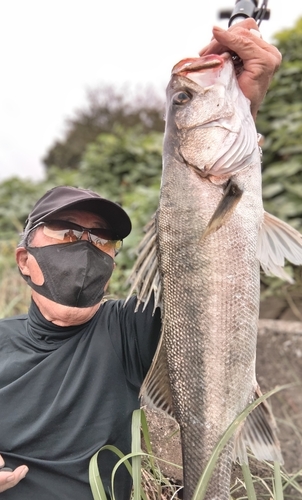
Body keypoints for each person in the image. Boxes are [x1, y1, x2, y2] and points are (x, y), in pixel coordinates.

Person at [0, 18, 281, 499]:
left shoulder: (126, 330)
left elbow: (204, 299)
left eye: (103, 240)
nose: (87, 247)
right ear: (24, 259)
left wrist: (244, 103)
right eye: (68, 232)